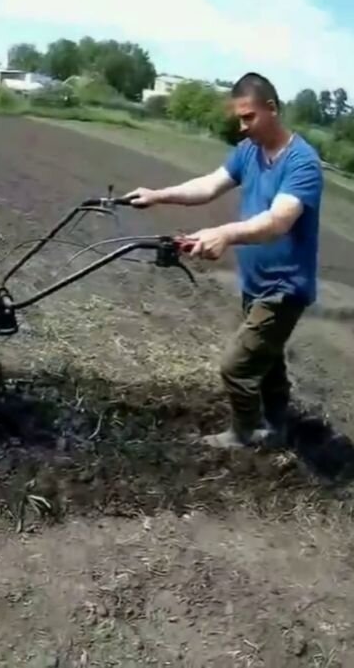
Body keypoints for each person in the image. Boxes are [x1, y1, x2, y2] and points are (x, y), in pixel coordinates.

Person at [124, 72, 324, 449]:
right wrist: (158, 194)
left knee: (236, 367)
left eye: (249, 117)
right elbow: (209, 185)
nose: (242, 125)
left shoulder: (303, 163)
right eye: (239, 118)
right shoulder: (250, 151)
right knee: (268, 360)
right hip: (256, 282)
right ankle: (277, 426)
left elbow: (279, 221)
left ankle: (244, 433)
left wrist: (226, 234)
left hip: (285, 287)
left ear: (272, 109)